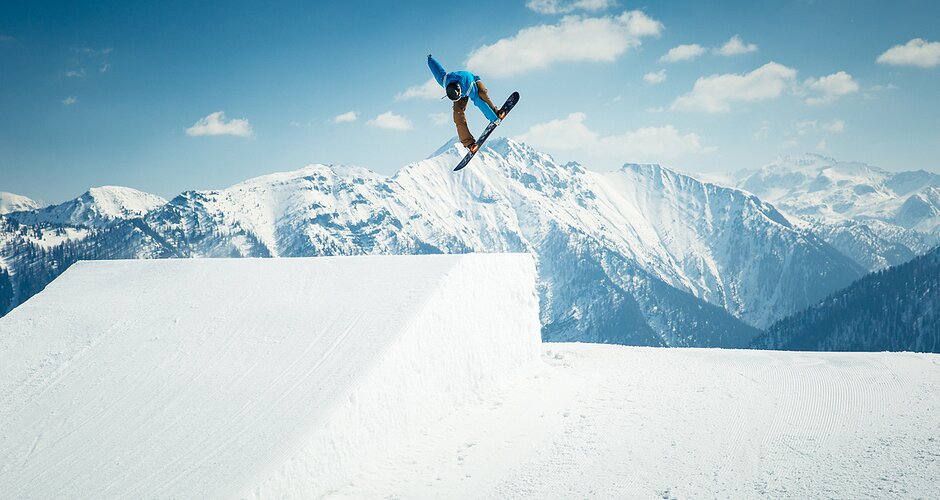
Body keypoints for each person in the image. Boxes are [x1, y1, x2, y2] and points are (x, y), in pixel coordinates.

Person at [427, 54, 506, 153]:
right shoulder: (444, 80)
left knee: (482, 94)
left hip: (473, 80)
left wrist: (494, 119)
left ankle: (495, 112)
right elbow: (437, 70)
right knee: (457, 114)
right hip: (458, 89)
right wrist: (430, 59)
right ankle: (468, 142)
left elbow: (480, 104)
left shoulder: (470, 87)